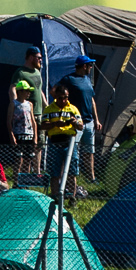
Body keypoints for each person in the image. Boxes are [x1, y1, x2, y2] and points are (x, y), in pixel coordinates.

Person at [56, 55, 101, 194]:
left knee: (89, 151)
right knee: (71, 150)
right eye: (90, 65)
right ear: (84, 66)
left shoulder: (87, 80)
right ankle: (65, 177)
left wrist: (96, 119)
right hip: (76, 122)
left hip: (89, 121)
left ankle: (91, 177)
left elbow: (92, 100)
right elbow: (55, 91)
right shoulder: (69, 79)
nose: (91, 68)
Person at [39, 84, 85, 192]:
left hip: (70, 143)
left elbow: (81, 126)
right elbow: (43, 125)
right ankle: (55, 195)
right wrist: (55, 124)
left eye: (66, 98)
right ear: (56, 97)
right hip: (55, 143)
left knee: (72, 172)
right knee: (55, 172)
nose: (63, 100)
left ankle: (72, 196)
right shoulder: (49, 109)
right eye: (60, 98)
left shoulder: (73, 109)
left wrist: (75, 122)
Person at [12, 84, 39, 177]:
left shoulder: (29, 104)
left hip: (29, 134)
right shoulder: (14, 104)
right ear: (20, 92)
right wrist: (12, 135)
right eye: (26, 91)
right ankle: (16, 179)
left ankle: (25, 179)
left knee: (28, 158)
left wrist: (35, 137)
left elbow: (33, 121)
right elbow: (9, 120)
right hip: (18, 133)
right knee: (18, 158)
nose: (28, 93)